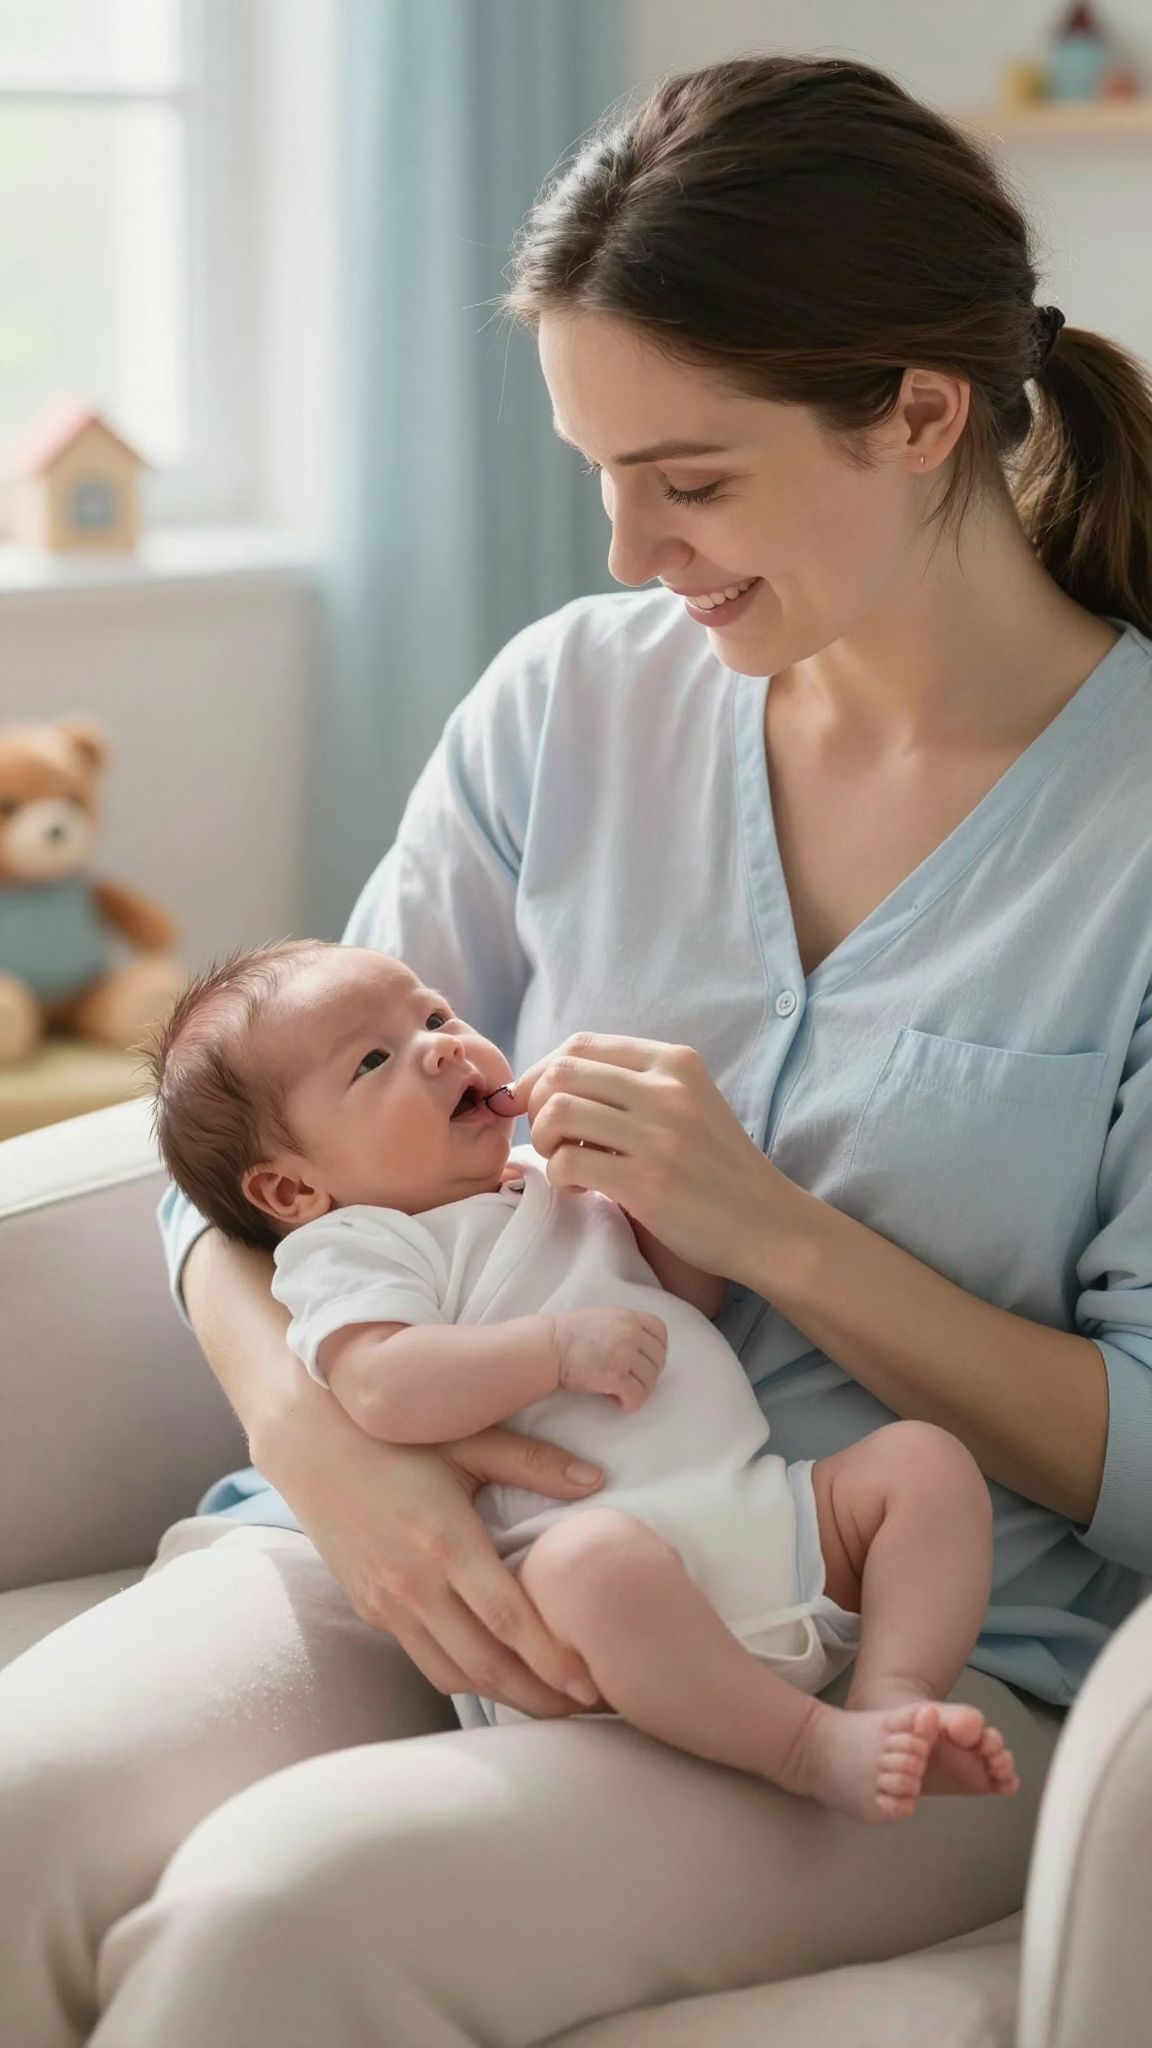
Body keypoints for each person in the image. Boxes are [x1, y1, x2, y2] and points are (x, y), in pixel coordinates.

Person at [3, 48, 1152, 2046]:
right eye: (596, 472)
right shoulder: (570, 702)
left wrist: (781, 1235)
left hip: (867, 1643)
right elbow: (248, 1144)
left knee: (279, 1922)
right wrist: (320, 1446)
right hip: (433, 1524)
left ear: (922, 414)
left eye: (691, 480)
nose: (629, 549)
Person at [147, 936, 1020, 1821]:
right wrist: (553, 1352)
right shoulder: (356, 1247)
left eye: (435, 1015)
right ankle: (806, 1747)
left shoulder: (542, 1180)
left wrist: (659, 1199)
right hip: (586, 1608)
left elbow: (690, 1300)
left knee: (924, 1466)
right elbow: (379, 1385)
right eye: (374, 1060)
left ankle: (894, 1695)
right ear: (292, 1193)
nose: (443, 1046)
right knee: (595, 1564)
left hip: (771, 1524)